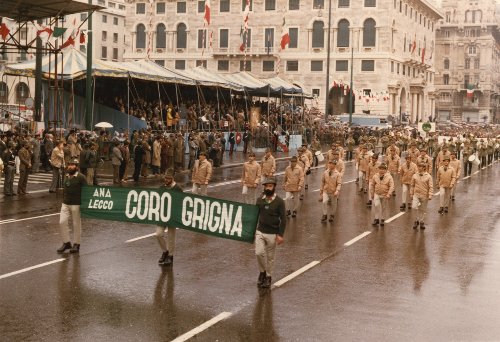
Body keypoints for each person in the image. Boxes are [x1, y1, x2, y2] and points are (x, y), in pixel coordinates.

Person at [255, 176, 286, 289]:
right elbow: (254, 214)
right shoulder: (260, 200)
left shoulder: (279, 202)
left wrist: (280, 235)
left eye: (270, 186)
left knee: (270, 257)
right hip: (260, 231)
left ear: (274, 187)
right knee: (259, 253)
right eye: (266, 186)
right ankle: (262, 272)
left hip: (272, 233)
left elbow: (283, 219)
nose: (268, 188)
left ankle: (268, 277)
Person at [57, 158, 87, 254]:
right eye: (69, 164)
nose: (70, 166)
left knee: (76, 224)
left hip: (76, 203)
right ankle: (66, 243)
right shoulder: (66, 176)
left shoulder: (81, 177)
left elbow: (87, 191)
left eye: (72, 165)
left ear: (77, 167)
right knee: (62, 222)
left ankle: (76, 244)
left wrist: (84, 204)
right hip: (65, 203)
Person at [156, 169, 183, 266]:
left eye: (168, 178)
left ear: (172, 178)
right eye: (165, 178)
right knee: (158, 234)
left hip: (172, 216)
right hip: (162, 216)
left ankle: (170, 256)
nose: (166, 180)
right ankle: (165, 251)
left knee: (171, 237)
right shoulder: (161, 188)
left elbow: (181, 202)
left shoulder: (177, 188)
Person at [370, 163, 394, 227]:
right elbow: (372, 185)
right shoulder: (375, 176)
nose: (381, 170)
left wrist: (389, 194)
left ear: (385, 170)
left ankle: (382, 219)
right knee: (376, 205)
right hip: (377, 193)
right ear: (378, 169)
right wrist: (372, 193)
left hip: (385, 194)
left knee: (383, 207)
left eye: (383, 169)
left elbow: (392, 186)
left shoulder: (389, 177)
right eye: (380, 169)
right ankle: (376, 218)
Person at [410, 162, 433, 230]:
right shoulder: (414, 175)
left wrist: (430, 195)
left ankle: (422, 221)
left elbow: (431, 186)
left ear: (424, 168)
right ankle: (416, 220)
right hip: (416, 194)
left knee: (423, 209)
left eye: (421, 167)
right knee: (414, 207)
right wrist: (411, 193)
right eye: (418, 166)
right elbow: (412, 185)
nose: (419, 168)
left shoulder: (428, 176)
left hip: (424, 195)